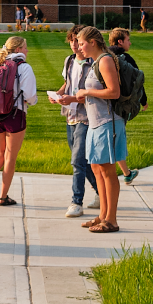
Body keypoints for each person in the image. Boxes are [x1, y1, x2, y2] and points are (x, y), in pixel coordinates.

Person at [75, 26, 125, 233]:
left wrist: (86, 91)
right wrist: (72, 98)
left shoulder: (105, 60)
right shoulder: (96, 62)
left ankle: (111, 220)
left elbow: (114, 92)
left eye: (81, 43)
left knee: (107, 172)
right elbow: (95, 93)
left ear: (92, 42)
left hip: (108, 123)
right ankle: (103, 215)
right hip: (95, 123)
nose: (79, 47)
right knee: (97, 170)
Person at [0, 36, 38, 206]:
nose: (27, 51)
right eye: (25, 47)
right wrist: (33, 102)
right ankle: (3, 197)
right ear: (18, 49)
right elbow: (30, 95)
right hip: (14, 115)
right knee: (11, 156)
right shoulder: (24, 67)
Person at [50, 25, 99, 218]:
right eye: (72, 41)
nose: (75, 45)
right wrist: (59, 94)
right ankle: (102, 193)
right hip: (70, 115)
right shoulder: (69, 61)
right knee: (83, 162)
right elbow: (68, 83)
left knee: (77, 160)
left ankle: (76, 202)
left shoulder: (93, 63)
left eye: (78, 41)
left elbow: (90, 91)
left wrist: (71, 98)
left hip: (86, 117)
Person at [108, 28, 148, 184]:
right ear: (120, 42)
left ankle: (125, 172)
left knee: (112, 139)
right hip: (121, 105)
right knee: (117, 139)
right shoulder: (126, 58)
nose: (130, 43)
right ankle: (122, 174)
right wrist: (143, 100)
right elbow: (137, 82)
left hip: (103, 104)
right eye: (128, 40)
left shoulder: (104, 56)